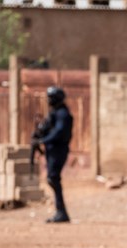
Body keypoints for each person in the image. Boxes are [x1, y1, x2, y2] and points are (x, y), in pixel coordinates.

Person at [34, 86, 73, 223]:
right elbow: (47, 128)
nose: (49, 101)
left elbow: (59, 132)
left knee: (53, 178)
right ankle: (60, 212)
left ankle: (61, 212)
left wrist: (43, 140)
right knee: (52, 178)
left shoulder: (62, 114)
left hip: (59, 150)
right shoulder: (54, 113)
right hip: (52, 150)